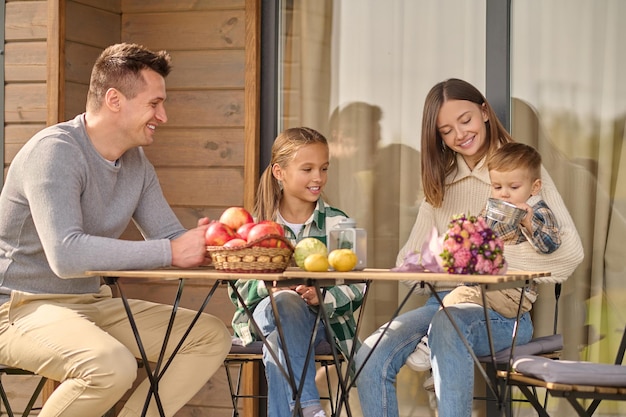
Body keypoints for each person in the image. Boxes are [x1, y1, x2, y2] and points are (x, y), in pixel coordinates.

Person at [0, 43, 232, 417]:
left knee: (208, 336)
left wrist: (216, 245)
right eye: (154, 103)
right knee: (110, 367)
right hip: (19, 308)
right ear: (114, 99)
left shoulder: (136, 164)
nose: (164, 116)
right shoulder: (55, 152)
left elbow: (168, 238)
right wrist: (172, 252)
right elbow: (66, 254)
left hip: (90, 304)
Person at [355, 78, 584, 417]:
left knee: (449, 326)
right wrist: (447, 258)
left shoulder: (521, 174)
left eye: (465, 120)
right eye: (446, 130)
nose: (460, 134)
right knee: (370, 355)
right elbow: (407, 264)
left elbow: (569, 256)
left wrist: (480, 257)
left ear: (485, 112)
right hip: (444, 303)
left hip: (506, 312)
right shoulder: (441, 183)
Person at [228, 127, 366, 417]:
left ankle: (308, 409)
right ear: (280, 172)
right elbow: (237, 287)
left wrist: (321, 297)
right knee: (282, 304)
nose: (318, 178)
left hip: (318, 324)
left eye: (323, 168)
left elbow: (358, 287)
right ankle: (311, 408)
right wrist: (271, 289)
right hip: (264, 319)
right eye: (308, 169)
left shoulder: (338, 223)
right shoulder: (255, 225)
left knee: (279, 340)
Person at [406, 141, 563, 371]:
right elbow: (475, 237)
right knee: (455, 302)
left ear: (534, 187)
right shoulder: (491, 210)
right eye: (497, 187)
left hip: (513, 295)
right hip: (484, 292)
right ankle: (441, 363)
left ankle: (432, 348)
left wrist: (528, 222)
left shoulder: (539, 212)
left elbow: (551, 243)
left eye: (514, 187)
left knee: (454, 298)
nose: (505, 194)